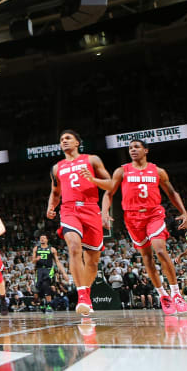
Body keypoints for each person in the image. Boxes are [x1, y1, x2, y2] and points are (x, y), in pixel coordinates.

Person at [102, 139, 187, 314]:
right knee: (147, 257)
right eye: (130, 148)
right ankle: (163, 295)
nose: (132, 150)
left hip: (154, 214)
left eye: (136, 147)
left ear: (146, 150)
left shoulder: (158, 171)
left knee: (160, 250)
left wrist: (184, 212)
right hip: (133, 218)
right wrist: (104, 213)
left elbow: (172, 193)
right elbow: (108, 193)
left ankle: (176, 294)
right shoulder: (122, 171)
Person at [47, 130, 114, 316]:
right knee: (74, 247)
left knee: (92, 261)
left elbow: (111, 185)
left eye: (68, 138)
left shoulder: (92, 160)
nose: (64, 141)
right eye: (61, 140)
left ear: (77, 142)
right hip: (69, 210)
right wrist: (51, 206)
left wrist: (92, 180)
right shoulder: (57, 167)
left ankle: (87, 293)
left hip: (91, 209)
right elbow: (55, 192)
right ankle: (82, 295)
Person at [31, 234, 67, 313]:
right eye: (41, 238)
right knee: (39, 287)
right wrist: (36, 259)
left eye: (44, 238)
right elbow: (32, 261)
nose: (42, 239)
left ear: (47, 240)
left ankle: (49, 305)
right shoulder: (36, 248)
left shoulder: (52, 249)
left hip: (48, 269)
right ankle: (42, 304)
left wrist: (62, 272)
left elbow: (57, 261)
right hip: (39, 270)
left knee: (46, 286)